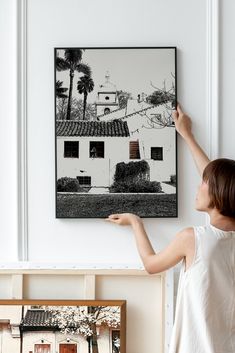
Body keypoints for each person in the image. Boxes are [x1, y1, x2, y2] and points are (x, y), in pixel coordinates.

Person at [106, 104, 235, 353]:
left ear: (218, 192)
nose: (198, 188)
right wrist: (187, 135)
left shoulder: (193, 239)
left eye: (203, 184)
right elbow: (217, 180)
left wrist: (135, 222)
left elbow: (151, 265)